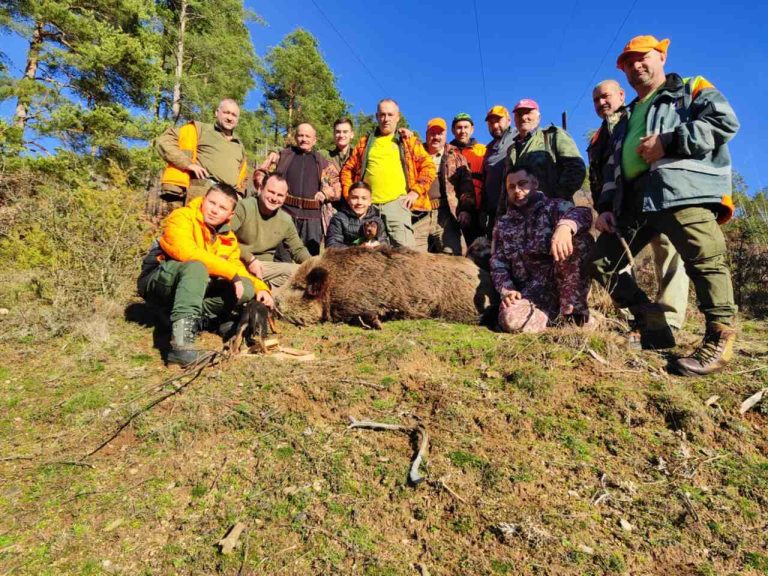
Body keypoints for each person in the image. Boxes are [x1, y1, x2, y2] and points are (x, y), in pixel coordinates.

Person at [589, 35, 739, 376]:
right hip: (633, 201)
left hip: (681, 191)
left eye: (642, 57)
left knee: (705, 259)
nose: (635, 65)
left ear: (661, 57)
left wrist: (668, 142)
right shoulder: (626, 116)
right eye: (628, 62)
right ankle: (653, 324)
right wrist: (607, 205)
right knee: (601, 262)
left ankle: (720, 340)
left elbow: (724, 122)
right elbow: (612, 167)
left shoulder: (689, 88)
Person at [588, 79, 690, 331]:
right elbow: (598, 177)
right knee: (612, 260)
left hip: (658, 192)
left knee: (668, 251)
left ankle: (670, 318)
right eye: (596, 99)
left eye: (606, 96)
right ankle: (640, 317)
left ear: (622, 95)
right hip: (621, 205)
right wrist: (603, 209)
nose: (601, 102)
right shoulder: (597, 138)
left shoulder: (637, 115)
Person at [137, 184, 273, 366]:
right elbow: (187, 252)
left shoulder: (228, 238)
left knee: (246, 287)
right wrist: (231, 274)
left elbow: (237, 267)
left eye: (222, 207)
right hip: (158, 280)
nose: (214, 210)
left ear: (230, 215)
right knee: (197, 267)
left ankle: (196, 320)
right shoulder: (182, 217)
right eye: (212, 203)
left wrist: (261, 288)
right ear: (203, 200)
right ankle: (181, 347)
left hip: (193, 286)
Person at [491, 166, 593, 333]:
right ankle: (563, 322)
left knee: (580, 240)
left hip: (563, 287)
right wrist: (507, 290)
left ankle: (574, 314)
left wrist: (565, 227)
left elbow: (583, 213)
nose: (517, 190)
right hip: (531, 293)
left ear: (535, 184)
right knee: (510, 319)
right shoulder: (502, 224)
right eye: (511, 187)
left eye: (522, 184)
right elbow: (498, 264)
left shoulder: (554, 207)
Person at [341, 98, 436, 247]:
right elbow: (348, 169)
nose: (386, 119)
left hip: (397, 204)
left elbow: (429, 167)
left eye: (390, 115)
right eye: (382, 115)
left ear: (398, 117)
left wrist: (415, 192)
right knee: (367, 254)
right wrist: (350, 196)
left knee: (405, 253)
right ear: (377, 116)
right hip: (368, 207)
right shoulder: (365, 142)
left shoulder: (408, 141)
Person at [254, 123, 341, 256]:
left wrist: (326, 193)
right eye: (300, 135)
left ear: (314, 140)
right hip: (284, 214)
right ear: (295, 137)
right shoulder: (283, 156)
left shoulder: (322, 162)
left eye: (308, 136)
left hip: (313, 220)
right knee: (282, 257)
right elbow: (261, 173)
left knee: (309, 260)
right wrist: (266, 191)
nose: (304, 139)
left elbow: (338, 186)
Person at [155, 99, 249, 211]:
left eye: (234, 115)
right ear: (217, 113)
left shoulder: (239, 146)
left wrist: (239, 194)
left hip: (227, 201)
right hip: (200, 193)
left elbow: (243, 177)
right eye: (226, 113)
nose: (229, 118)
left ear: (237, 119)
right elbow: (164, 141)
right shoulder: (200, 129)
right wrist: (188, 164)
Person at [229, 174, 311, 289]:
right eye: (271, 192)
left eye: (280, 195)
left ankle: (263, 291)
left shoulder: (285, 220)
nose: (274, 198)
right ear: (261, 189)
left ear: (285, 197)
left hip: (265, 268)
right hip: (238, 261)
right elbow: (224, 236)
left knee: (306, 276)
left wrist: (316, 265)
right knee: (293, 271)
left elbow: (298, 250)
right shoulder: (244, 207)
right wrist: (249, 258)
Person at [504, 98, 586, 210]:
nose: (523, 117)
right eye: (519, 114)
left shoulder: (553, 135)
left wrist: (555, 201)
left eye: (528, 112)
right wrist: (503, 214)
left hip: (554, 213)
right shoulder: (511, 150)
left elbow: (576, 168)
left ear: (538, 117)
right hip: (520, 216)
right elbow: (505, 187)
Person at [413, 117, 474, 254]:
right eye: (432, 133)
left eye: (439, 133)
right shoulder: (415, 154)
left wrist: (466, 210)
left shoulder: (456, 156)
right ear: (426, 135)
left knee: (455, 255)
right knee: (412, 255)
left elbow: (467, 187)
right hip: (419, 213)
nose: (436, 137)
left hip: (446, 213)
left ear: (445, 135)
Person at [449, 113, 487, 245]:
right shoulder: (448, 151)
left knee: (478, 247)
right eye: (459, 127)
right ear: (453, 130)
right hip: (453, 209)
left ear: (472, 129)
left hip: (479, 208)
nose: (462, 131)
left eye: (466, 127)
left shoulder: (483, 150)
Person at [480, 105, 517, 235]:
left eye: (498, 120)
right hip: (494, 213)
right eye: (491, 123)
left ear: (509, 120)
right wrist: (483, 209)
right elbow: (486, 179)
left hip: (514, 208)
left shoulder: (518, 137)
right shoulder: (488, 149)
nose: (495, 126)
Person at [325, 181, 389, 248]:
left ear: (370, 201)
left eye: (364, 198)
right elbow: (332, 245)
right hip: (347, 254)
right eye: (354, 198)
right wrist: (358, 248)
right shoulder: (338, 219)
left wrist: (378, 245)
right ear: (348, 200)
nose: (359, 202)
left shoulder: (377, 220)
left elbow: (384, 242)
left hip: (372, 254)